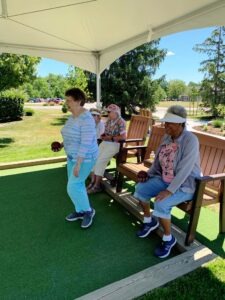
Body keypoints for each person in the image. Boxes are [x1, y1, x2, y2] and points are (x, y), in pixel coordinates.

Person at [133, 105, 201, 258]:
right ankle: (149, 221)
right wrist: (148, 174)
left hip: (184, 185)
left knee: (161, 203)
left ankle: (168, 239)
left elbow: (185, 169)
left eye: (169, 123)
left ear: (180, 124)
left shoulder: (191, 140)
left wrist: (169, 191)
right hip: (165, 179)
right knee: (141, 189)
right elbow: (158, 159)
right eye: (165, 122)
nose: (165, 125)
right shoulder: (167, 137)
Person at [51, 88, 98, 229]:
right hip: (72, 157)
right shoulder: (72, 117)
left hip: (85, 158)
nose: (66, 103)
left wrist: (78, 164)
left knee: (73, 186)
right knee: (78, 185)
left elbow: (85, 143)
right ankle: (80, 211)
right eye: (66, 100)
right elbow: (70, 135)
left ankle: (89, 211)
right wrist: (61, 145)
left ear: (78, 101)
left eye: (69, 100)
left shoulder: (87, 119)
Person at [87, 104, 126, 193]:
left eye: (109, 112)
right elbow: (106, 133)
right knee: (94, 158)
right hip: (106, 142)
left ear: (115, 112)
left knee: (100, 161)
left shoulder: (121, 122)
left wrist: (111, 138)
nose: (107, 113)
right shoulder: (109, 121)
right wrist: (104, 136)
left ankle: (97, 186)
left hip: (115, 144)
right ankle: (93, 182)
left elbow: (123, 137)